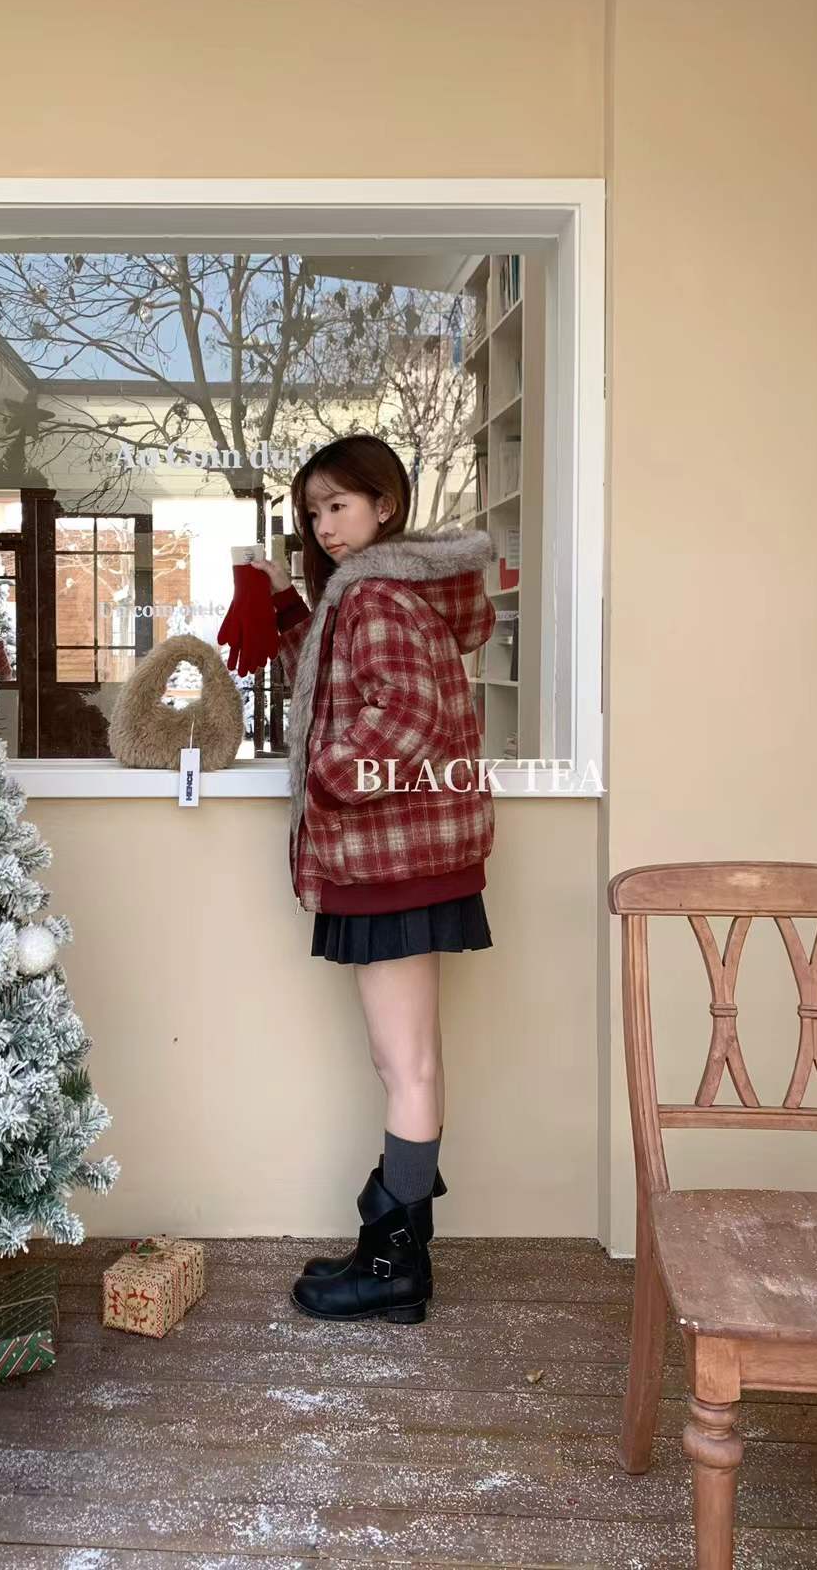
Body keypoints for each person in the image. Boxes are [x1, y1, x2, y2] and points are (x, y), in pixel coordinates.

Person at [250, 433, 497, 1326]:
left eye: (339, 506)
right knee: (408, 1061)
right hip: (406, 860)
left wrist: (328, 777)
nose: (324, 526)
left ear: (384, 506)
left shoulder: (376, 594)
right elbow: (340, 690)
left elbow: (407, 714)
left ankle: (396, 1264)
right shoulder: (379, 591)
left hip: (393, 861)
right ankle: (392, 1249)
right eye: (313, 512)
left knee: (406, 1065)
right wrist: (288, 612)